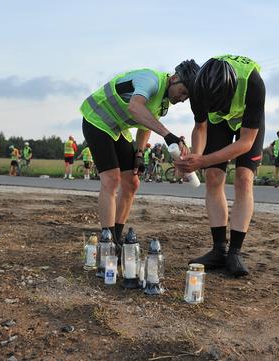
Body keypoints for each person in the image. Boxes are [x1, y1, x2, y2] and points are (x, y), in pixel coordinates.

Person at [80, 59, 199, 267]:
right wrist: (168, 135)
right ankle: (107, 241)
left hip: (117, 127)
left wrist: (140, 152)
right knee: (111, 179)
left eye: (186, 97)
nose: (182, 99)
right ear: (174, 78)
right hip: (97, 118)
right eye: (182, 92)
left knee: (132, 182)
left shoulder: (163, 102)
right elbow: (136, 108)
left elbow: (146, 123)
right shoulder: (150, 79)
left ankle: (116, 237)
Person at [174, 55, 265, 277]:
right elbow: (201, 127)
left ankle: (235, 252)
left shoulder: (254, 85)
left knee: (243, 179)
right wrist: (195, 158)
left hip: (246, 123)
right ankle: (218, 249)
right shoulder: (199, 84)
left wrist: (203, 160)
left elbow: (246, 142)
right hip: (217, 125)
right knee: (213, 177)